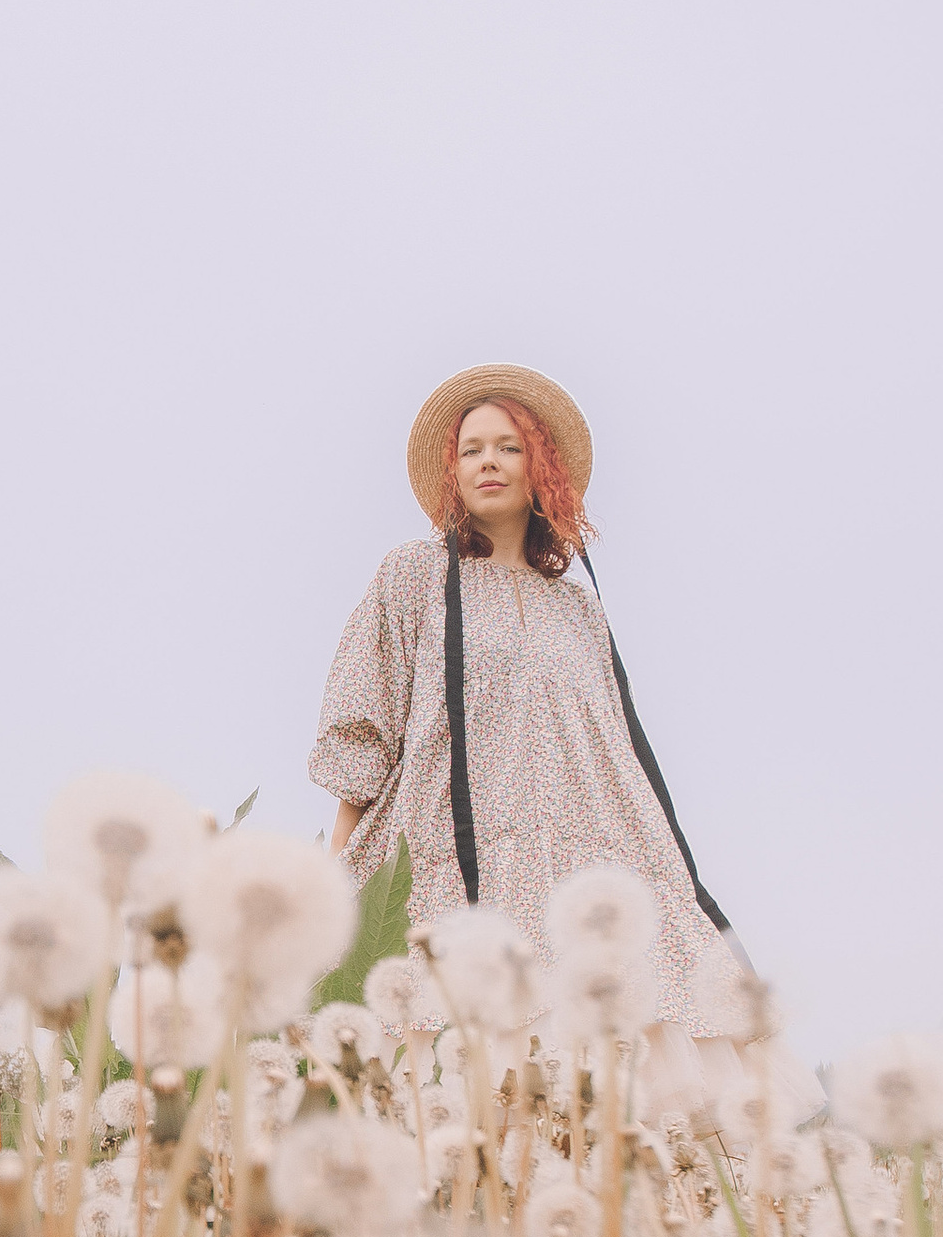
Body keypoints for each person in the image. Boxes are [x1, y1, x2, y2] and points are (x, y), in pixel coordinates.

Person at [310, 366, 744, 1016]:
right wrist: (333, 888)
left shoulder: (577, 608)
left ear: (539, 467)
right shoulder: (415, 574)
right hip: (444, 865)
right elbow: (363, 725)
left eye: (509, 448)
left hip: (575, 869)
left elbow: (616, 758)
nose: (489, 463)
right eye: (471, 450)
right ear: (451, 473)